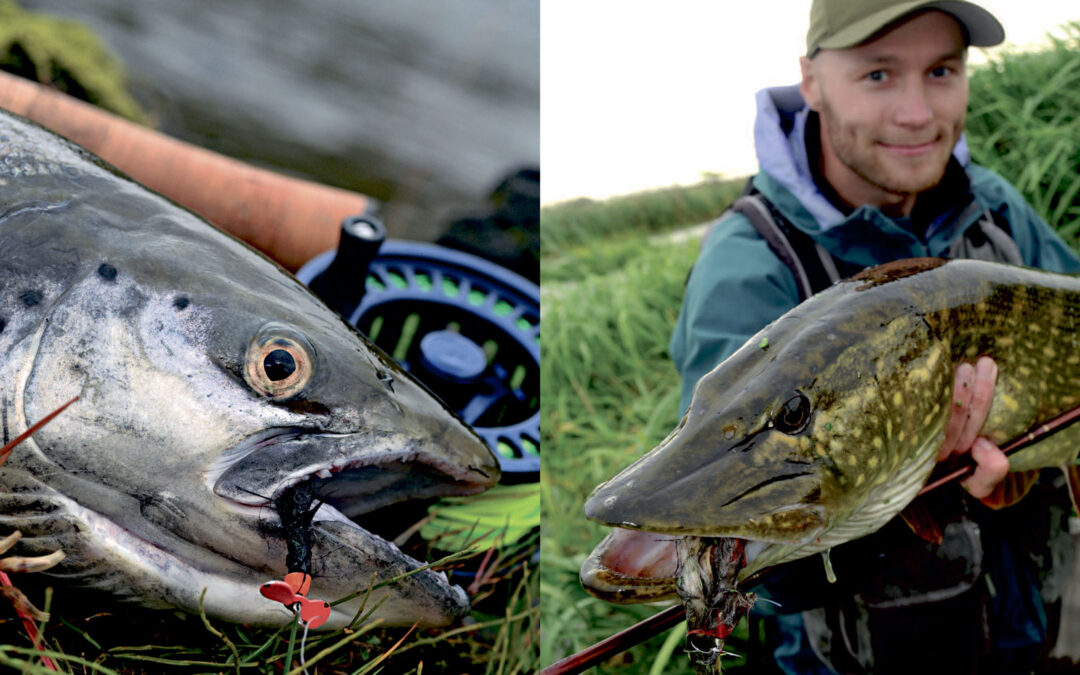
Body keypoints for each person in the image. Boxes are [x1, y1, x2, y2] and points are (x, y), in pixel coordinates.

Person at [669, 1, 1080, 673]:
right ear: (812, 80)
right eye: (879, 75)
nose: (917, 113)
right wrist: (911, 477)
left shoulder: (997, 209)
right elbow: (757, 560)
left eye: (942, 70)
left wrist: (1027, 468)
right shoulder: (749, 269)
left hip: (1044, 626)